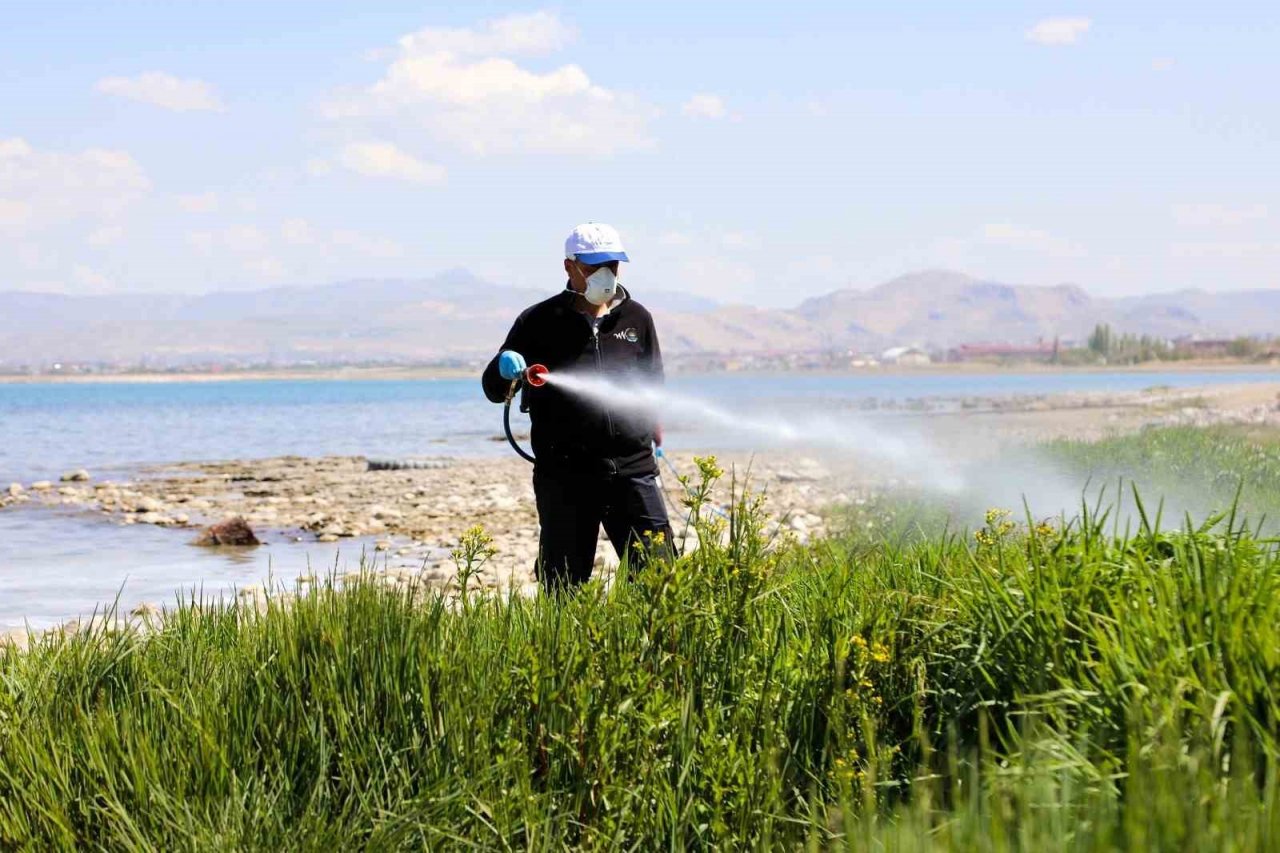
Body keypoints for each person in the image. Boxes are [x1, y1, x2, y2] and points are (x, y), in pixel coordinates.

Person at [481, 223, 674, 591]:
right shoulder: (537, 321)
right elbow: (493, 388)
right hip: (565, 477)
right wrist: (504, 367)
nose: (606, 275)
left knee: (660, 580)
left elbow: (654, 384)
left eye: (613, 266)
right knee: (563, 586)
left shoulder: (637, 318)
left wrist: (653, 426)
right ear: (570, 267)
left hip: (633, 472)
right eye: (594, 267)